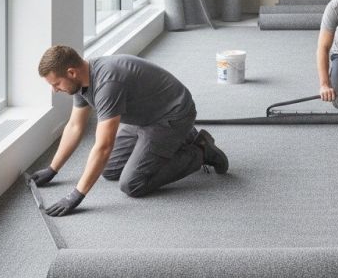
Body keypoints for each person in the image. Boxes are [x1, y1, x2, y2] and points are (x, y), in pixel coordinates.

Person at [29, 46, 228, 216]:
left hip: (172, 115)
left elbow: (104, 146)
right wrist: (52, 169)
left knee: (132, 184)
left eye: (56, 84)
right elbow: (75, 126)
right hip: (143, 117)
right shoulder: (82, 81)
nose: (55, 90)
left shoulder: (107, 84)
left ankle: (201, 150)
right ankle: (183, 137)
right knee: (110, 170)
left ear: (71, 72)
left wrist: (76, 194)